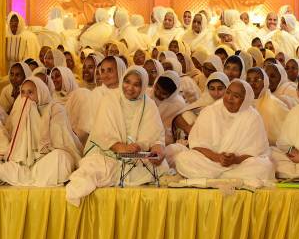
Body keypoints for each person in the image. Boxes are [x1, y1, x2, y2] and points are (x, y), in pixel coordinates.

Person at [66, 66, 166, 206]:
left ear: (143, 86)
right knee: (92, 167)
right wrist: (121, 147)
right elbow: (102, 133)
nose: (130, 88)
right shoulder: (110, 99)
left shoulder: (149, 105)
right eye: (127, 82)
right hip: (108, 153)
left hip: (138, 156)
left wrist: (158, 150)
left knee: (163, 166)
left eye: (136, 84)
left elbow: (156, 136)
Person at [173, 80, 275, 183]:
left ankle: (214, 178)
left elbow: (257, 152)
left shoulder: (253, 117)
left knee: (264, 167)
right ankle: (230, 178)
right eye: (228, 92)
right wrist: (217, 157)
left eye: (236, 96)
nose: (229, 98)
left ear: (245, 100)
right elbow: (197, 145)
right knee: (183, 158)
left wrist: (235, 159)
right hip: (210, 161)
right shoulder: (210, 111)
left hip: (239, 164)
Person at [0, 77, 82, 186]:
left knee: (61, 158)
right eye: (23, 93)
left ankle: (30, 179)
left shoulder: (55, 109)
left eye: (30, 92)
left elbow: (61, 142)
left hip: (46, 159)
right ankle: (33, 179)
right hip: (26, 165)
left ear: (40, 92)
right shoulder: (19, 110)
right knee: (5, 167)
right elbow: (11, 142)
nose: (26, 97)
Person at [246, 67, 289, 144]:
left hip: (272, 146)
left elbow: (286, 135)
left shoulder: (276, 104)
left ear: (265, 82)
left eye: (256, 80)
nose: (252, 83)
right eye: (248, 80)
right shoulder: (243, 102)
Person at [152, 70, 186, 145]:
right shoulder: (147, 95)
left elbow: (179, 129)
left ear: (172, 94)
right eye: (157, 88)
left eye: (163, 93)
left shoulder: (178, 104)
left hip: (166, 141)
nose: (157, 93)